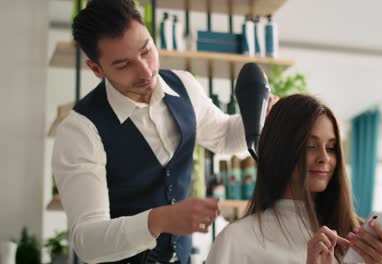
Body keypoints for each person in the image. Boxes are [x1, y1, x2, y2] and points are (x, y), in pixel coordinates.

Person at [51, 0, 277, 263]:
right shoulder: (80, 130)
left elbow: (224, 136)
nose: (146, 71)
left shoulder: (184, 85)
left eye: (146, 51)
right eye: (124, 65)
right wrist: (160, 219)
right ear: (96, 69)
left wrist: (262, 117)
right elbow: (87, 241)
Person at [206, 94, 382, 264]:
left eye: (330, 148)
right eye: (311, 146)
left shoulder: (355, 242)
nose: (324, 158)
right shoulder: (237, 241)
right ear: (280, 150)